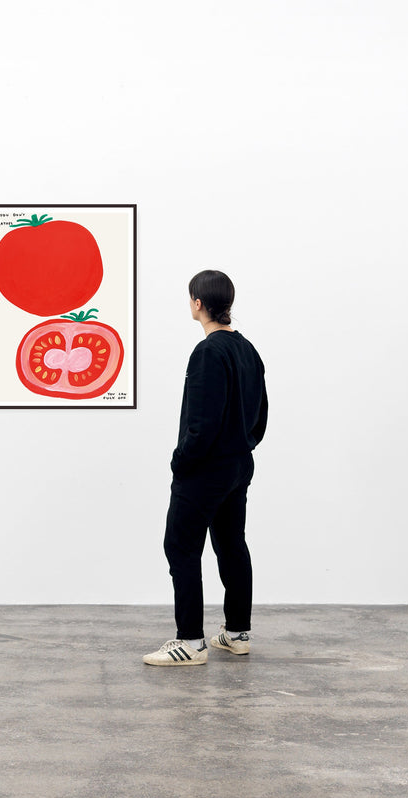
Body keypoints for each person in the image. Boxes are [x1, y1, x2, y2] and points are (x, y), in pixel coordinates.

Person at [143, 270, 268, 666]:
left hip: (205, 470)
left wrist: (181, 462)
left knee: (180, 547)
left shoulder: (207, 352)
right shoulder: (247, 349)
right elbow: (261, 414)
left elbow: (201, 422)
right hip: (237, 465)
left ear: (197, 303)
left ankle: (191, 642)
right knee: (231, 544)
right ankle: (236, 633)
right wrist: (242, 446)